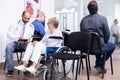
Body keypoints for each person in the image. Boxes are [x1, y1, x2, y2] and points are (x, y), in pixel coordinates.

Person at [80, 1, 115, 73]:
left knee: (97, 43)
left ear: (88, 9)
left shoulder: (83, 20)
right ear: (97, 8)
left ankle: (99, 63)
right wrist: (103, 42)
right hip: (98, 48)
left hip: (86, 49)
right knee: (112, 46)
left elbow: (82, 35)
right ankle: (99, 62)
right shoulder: (102, 19)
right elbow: (107, 35)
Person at [5, 10, 34, 76]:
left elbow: (31, 37)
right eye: (25, 18)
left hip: (24, 44)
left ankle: (25, 67)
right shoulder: (15, 23)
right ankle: (10, 70)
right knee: (8, 47)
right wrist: (18, 37)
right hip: (14, 42)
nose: (26, 20)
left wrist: (27, 41)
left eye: (28, 18)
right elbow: (8, 34)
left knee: (31, 47)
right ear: (22, 16)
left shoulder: (31, 26)